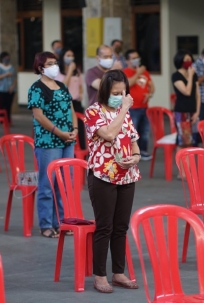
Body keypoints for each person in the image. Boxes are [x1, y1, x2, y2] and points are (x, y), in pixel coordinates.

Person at [84, 69, 140, 293]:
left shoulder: (124, 113)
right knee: (104, 226)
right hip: (103, 175)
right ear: (105, 91)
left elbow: (133, 140)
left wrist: (135, 158)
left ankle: (118, 272)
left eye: (123, 91)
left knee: (121, 227)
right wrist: (124, 107)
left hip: (127, 175)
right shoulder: (93, 112)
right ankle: (100, 275)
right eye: (116, 92)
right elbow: (108, 134)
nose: (120, 95)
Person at [27, 51, 78, 238]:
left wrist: (74, 129)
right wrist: (59, 133)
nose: (54, 66)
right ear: (40, 67)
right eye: (50, 63)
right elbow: (39, 116)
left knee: (65, 184)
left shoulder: (62, 86)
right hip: (49, 142)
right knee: (47, 184)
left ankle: (63, 222)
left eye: (55, 63)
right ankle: (46, 225)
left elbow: (71, 109)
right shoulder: (36, 89)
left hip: (68, 140)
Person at [123, 49, 154, 160]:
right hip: (132, 108)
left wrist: (149, 94)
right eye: (133, 58)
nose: (136, 60)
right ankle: (132, 153)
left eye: (137, 57)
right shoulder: (125, 72)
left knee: (145, 131)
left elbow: (152, 86)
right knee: (133, 132)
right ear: (127, 61)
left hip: (144, 107)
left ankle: (143, 151)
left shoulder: (145, 72)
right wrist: (138, 73)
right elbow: (128, 83)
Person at [56, 48, 86, 149]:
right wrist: (69, 71)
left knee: (80, 129)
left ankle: (82, 153)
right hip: (65, 103)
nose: (70, 58)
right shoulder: (58, 72)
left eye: (72, 56)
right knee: (67, 129)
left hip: (76, 102)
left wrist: (81, 93)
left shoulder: (76, 71)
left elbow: (80, 84)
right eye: (68, 56)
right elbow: (63, 86)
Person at [172, 49, 200, 149]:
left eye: (190, 59)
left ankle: (190, 164)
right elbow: (187, 92)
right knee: (184, 141)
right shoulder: (176, 76)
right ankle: (183, 163)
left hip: (193, 111)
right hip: (182, 111)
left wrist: (197, 112)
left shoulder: (194, 75)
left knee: (193, 140)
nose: (188, 61)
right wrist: (191, 76)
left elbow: (197, 95)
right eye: (186, 59)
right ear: (180, 61)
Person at [0, 52, 16, 123]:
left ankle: (8, 120)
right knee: (1, 105)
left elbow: (15, 78)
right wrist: (6, 74)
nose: (7, 60)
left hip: (10, 89)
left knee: (8, 106)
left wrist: (13, 87)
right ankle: (1, 120)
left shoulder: (12, 68)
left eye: (8, 58)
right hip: (1, 89)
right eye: (5, 58)